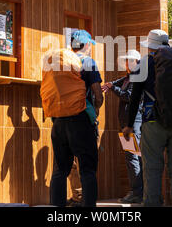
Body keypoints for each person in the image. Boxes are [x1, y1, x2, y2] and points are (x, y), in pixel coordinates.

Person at [122, 29, 172, 207]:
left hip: (153, 120)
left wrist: (129, 125)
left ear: (150, 47)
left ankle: (152, 204)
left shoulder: (145, 63)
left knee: (152, 167)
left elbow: (135, 96)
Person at [49, 29, 104, 207]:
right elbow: (97, 93)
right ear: (87, 45)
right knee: (87, 170)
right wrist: (95, 110)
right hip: (80, 120)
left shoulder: (59, 63)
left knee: (60, 170)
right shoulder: (87, 61)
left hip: (58, 121)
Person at [102, 50, 143, 204]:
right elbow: (119, 81)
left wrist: (113, 88)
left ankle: (137, 192)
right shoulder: (128, 77)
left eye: (130, 61)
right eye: (126, 61)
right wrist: (112, 84)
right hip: (127, 124)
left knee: (132, 157)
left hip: (132, 125)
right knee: (132, 157)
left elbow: (129, 97)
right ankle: (138, 191)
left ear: (137, 62)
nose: (127, 64)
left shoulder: (137, 78)